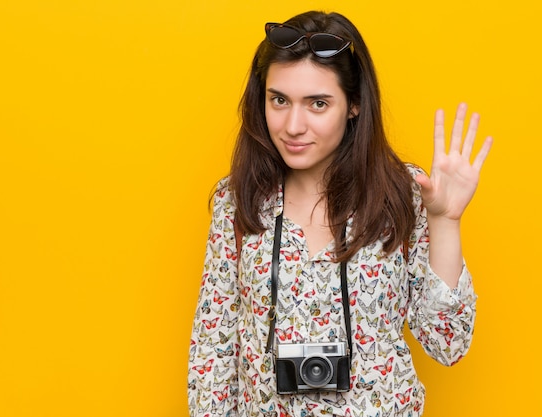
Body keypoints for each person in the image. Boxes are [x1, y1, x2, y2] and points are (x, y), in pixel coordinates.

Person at [188, 10, 492, 417]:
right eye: (279, 100)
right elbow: (213, 353)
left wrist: (446, 222)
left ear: (354, 105)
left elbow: (447, 342)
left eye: (317, 103)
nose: (293, 125)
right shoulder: (238, 199)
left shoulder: (405, 192)